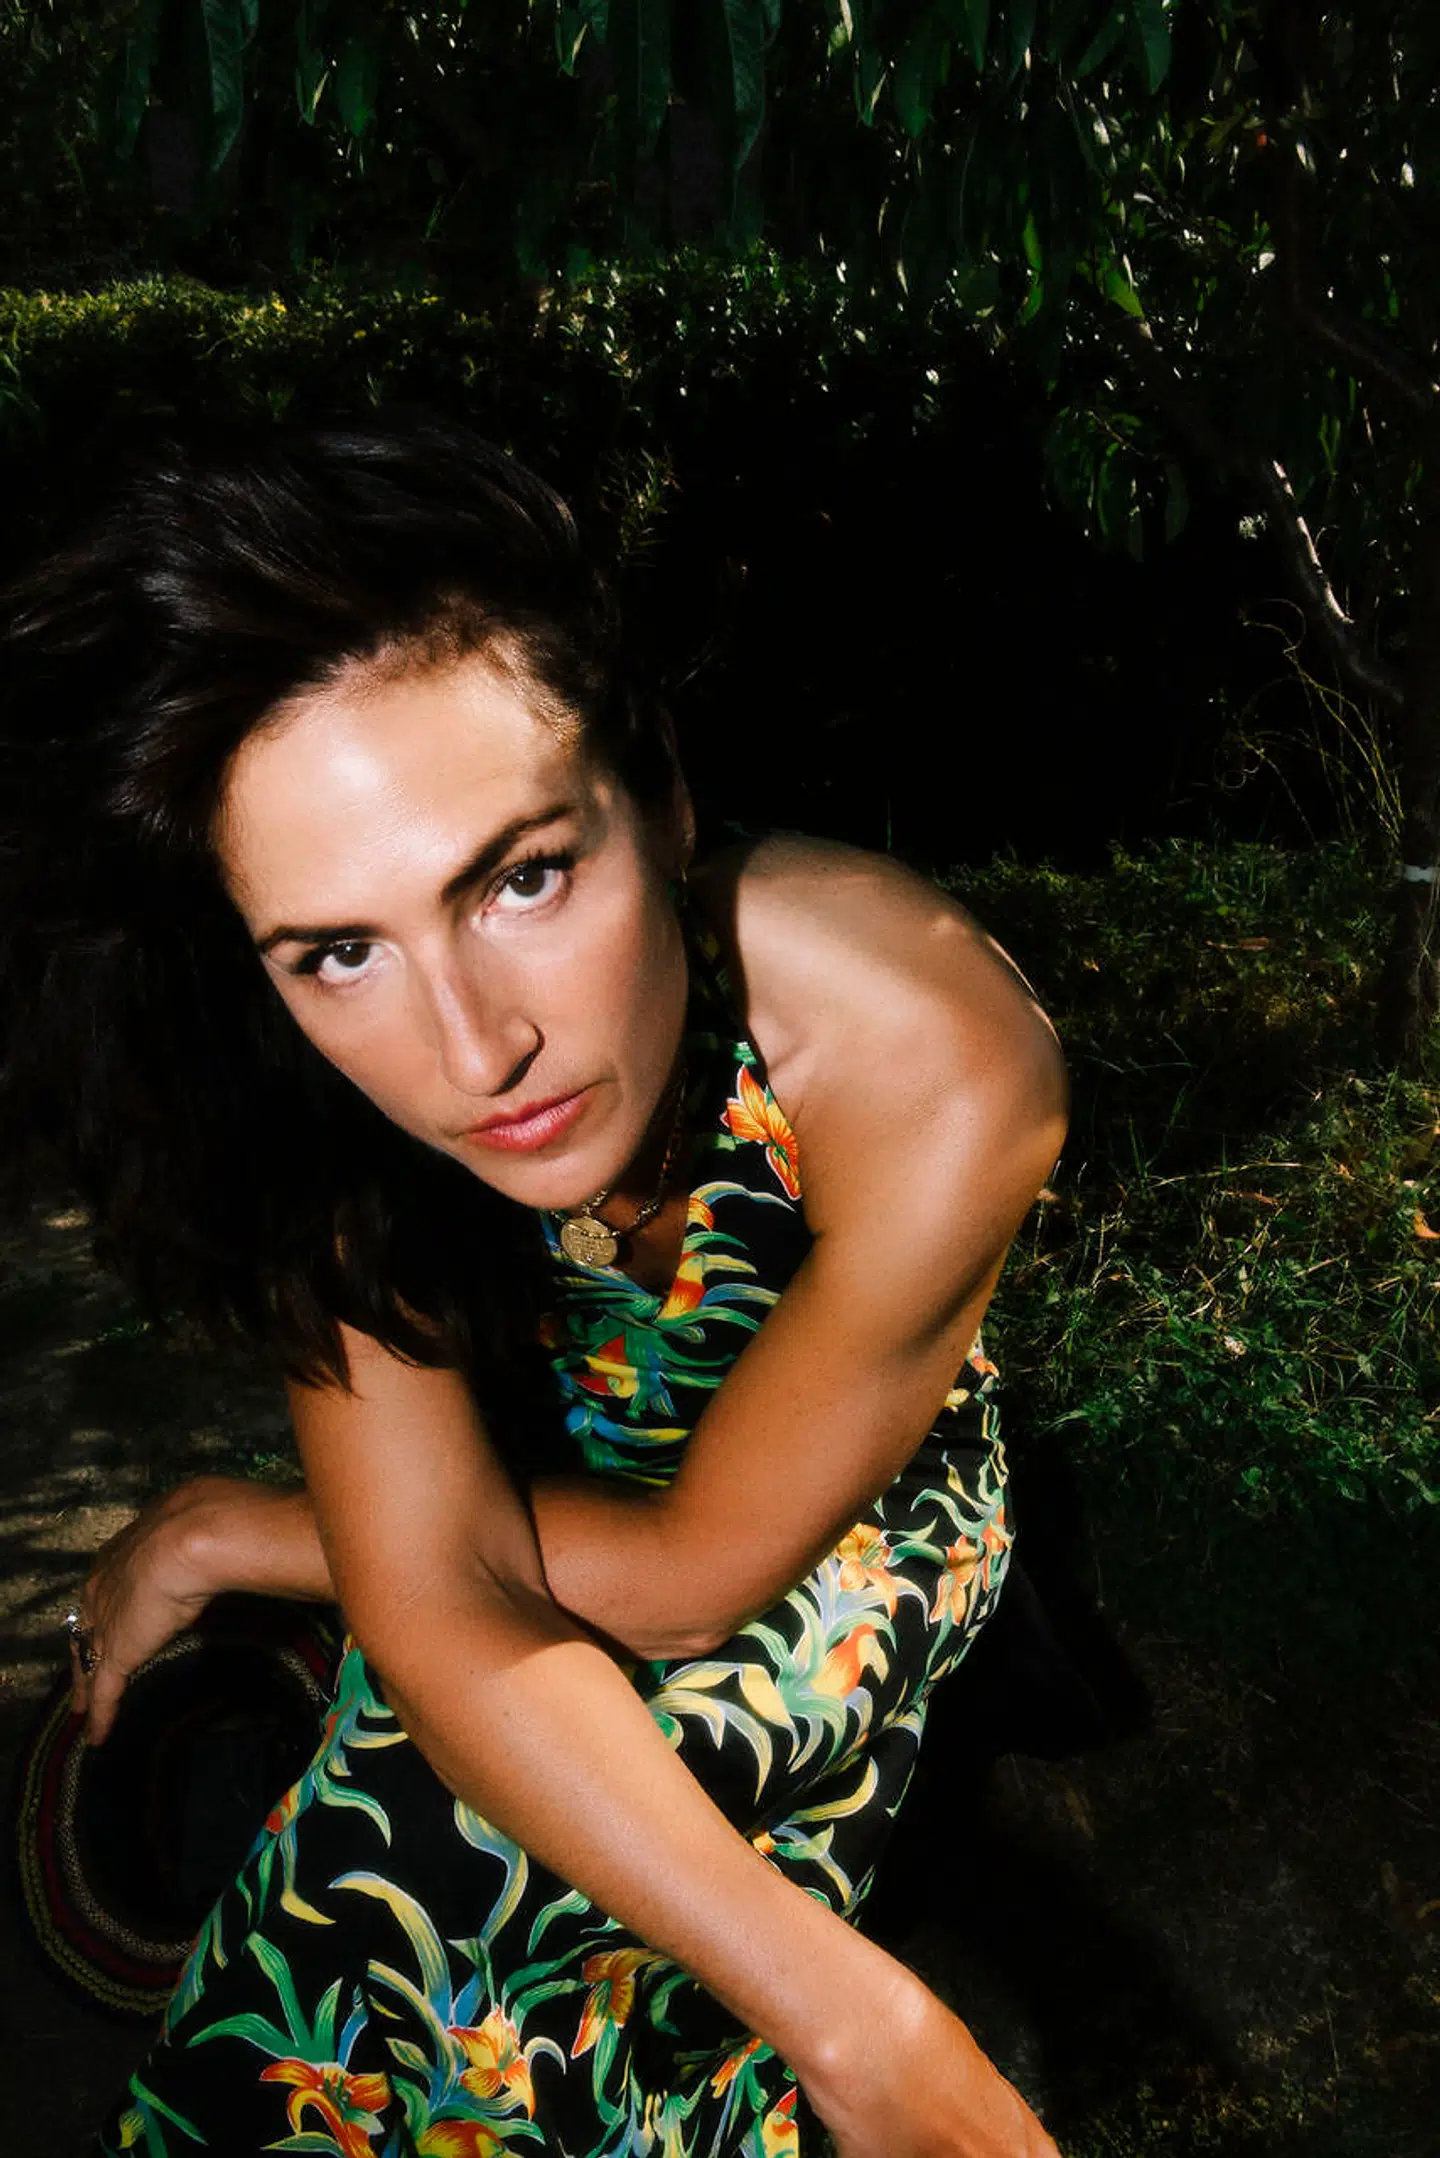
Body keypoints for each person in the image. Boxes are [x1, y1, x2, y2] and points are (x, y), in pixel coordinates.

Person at [0, 419, 1068, 2157]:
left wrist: (243, 1530)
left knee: (556, 1807)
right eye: (340, 949)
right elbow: (437, 1582)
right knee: (412, 1806)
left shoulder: (935, 1049)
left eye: (522, 877)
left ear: (662, 793)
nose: (471, 1048)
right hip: (558, 1446)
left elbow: (687, 1579)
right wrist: (864, 2027)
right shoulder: (302, 1079)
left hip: (835, 1500)